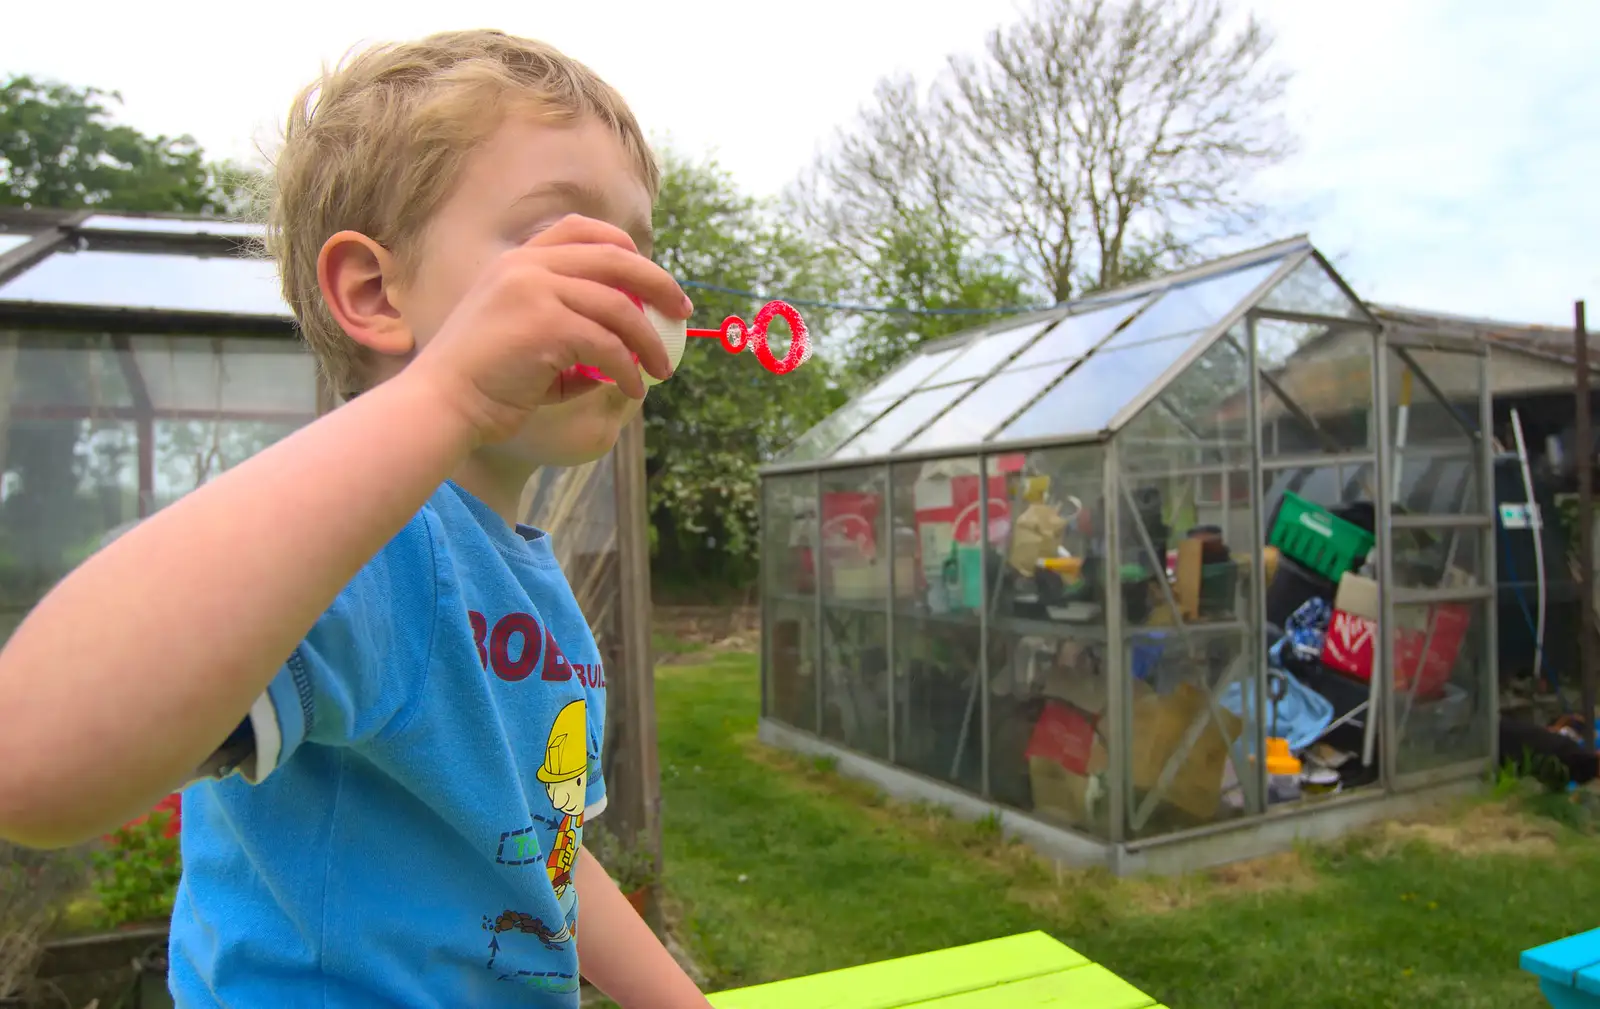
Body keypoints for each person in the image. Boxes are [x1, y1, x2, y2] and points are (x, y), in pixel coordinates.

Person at [0, 29, 713, 1009]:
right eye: (563, 238)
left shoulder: (531, 588)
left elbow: (544, 854)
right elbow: (31, 757)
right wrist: (449, 393)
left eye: (634, 246)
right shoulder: (369, 549)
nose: (624, 279)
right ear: (374, 293)